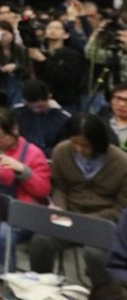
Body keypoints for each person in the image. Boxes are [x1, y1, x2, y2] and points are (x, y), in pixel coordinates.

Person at [29, 113, 127, 289]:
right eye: (75, 143)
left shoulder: (121, 163)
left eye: (85, 145)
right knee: (40, 241)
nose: (79, 149)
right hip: (69, 215)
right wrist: (60, 207)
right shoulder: (62, 151)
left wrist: (87, 221)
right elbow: (59, 186)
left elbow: (121, 208)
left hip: (103, 222)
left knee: (95, 253)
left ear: (99, 142)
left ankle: (106, 294)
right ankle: (41, 290)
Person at [0, 106, 51, 270]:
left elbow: (44, 190)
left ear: (14, 129)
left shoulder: (33, 153)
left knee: (0, 234)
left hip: (21, 214)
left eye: (0, 135)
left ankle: (5, 282)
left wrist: (22, 171)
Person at [13, 79, 72, 158]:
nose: (37, 110)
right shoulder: (16, 114)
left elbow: (65, 146)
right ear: (25, 101)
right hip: (22, 156)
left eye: (40, 107)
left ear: (49, 97)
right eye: (32, 107)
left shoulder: (63, 118)